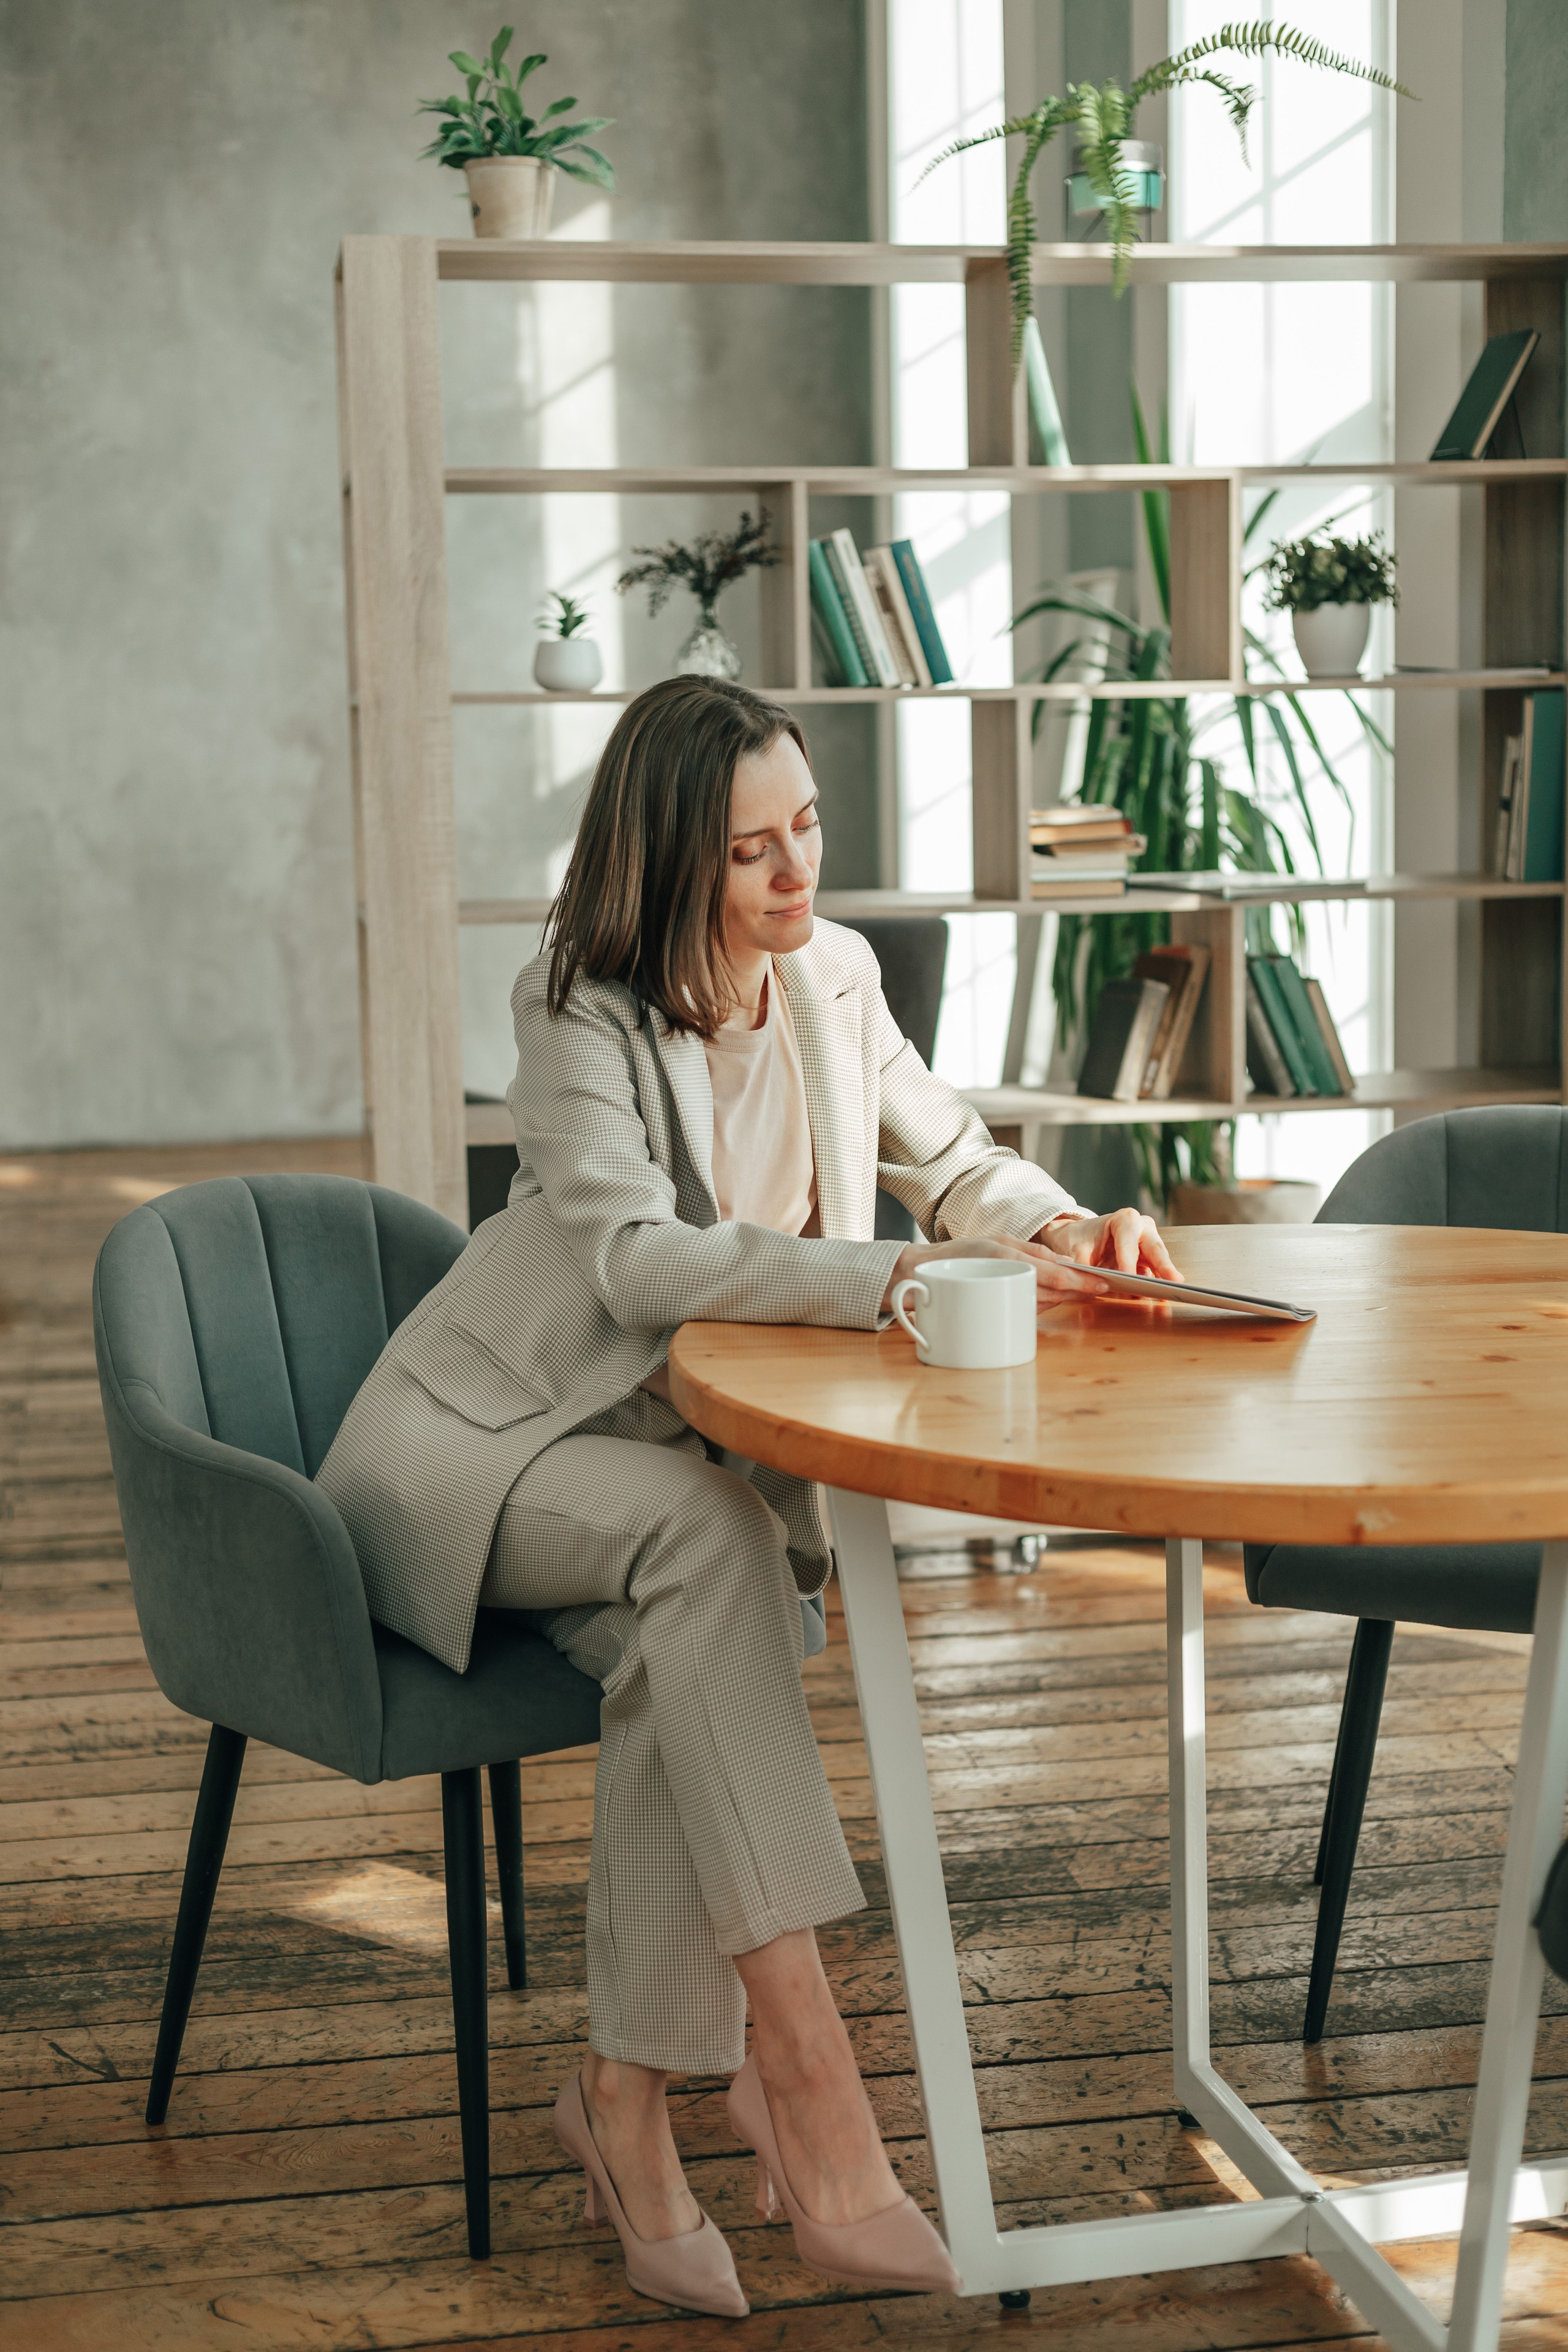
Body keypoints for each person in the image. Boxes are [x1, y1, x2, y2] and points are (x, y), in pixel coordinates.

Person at [318, 674, 1178, 2317]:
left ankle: (626, 2108)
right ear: (664, 863)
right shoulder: (576, 1007)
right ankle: (811, 2084)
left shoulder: (832, 976)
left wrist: (1064, 1229)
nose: (800, 878)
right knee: (709, 1545)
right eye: (752, 854)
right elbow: (635, 1260)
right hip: (482, 1443)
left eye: (810, 833)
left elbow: (954, 1158)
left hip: (661, 1477)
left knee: (694, 1605)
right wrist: (893, 1283)